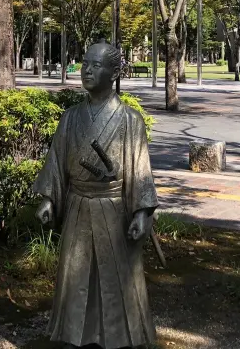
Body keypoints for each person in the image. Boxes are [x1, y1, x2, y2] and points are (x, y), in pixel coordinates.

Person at [33, 41, 158, 349]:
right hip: (77, 205)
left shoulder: (130, 121)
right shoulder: (71, 118)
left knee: (115, 278)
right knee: (77, 275)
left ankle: (119, 336)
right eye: (85, 64)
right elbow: (57, 163)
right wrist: (49, 199)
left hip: (113, 209)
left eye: (96, 65)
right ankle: (75, 333)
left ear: (115, 72)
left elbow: (141, 171)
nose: (87, 70)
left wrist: (142, 213)